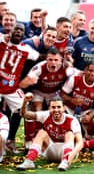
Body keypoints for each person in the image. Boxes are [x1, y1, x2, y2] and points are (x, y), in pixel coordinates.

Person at [19, 47, 79, 149]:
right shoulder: (39, 68)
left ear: (61, 61)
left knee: (58, 112)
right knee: (37, 109)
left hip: (54, 93)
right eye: (50, 60)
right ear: (46, 60)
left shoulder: (66, 68)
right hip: (39, 92)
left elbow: (82, 74)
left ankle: (58, 138)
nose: (53, 63)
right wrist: (30, 81)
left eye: (56, 60)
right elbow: (21, 84)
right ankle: (32, 141)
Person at [0, 23, 40, 153]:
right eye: (16, 29)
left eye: (21, 30)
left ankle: (26, 143)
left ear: (23, 34)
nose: (18, 31)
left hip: (11, 88)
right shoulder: (1, 40)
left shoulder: (26, 48)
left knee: (25, 110)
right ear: (10, 30)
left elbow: (39, 57)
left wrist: (32, 75)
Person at [16, 94, 83, 171]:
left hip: (68, 153)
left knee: (69, 134)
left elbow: (80, 143)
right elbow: (24, 114)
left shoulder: (72, 120)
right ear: (49, 108)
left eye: (59, 107)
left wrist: (72, 154)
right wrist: (24, 102)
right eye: (53, 107)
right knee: (42, 132)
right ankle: (29, 161)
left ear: (64, 108)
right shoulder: (46, 115)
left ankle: (65, 162)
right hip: (50, 151)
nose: (56, 110)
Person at [60, 61, 94, 138]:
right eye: (90, 70)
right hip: (69, 109)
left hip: (85, 111)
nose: (92, 73)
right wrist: (72, 100)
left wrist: (90, 116)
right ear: (85, 70)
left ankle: (86, 140)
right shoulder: (75, 79)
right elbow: (62, 94)